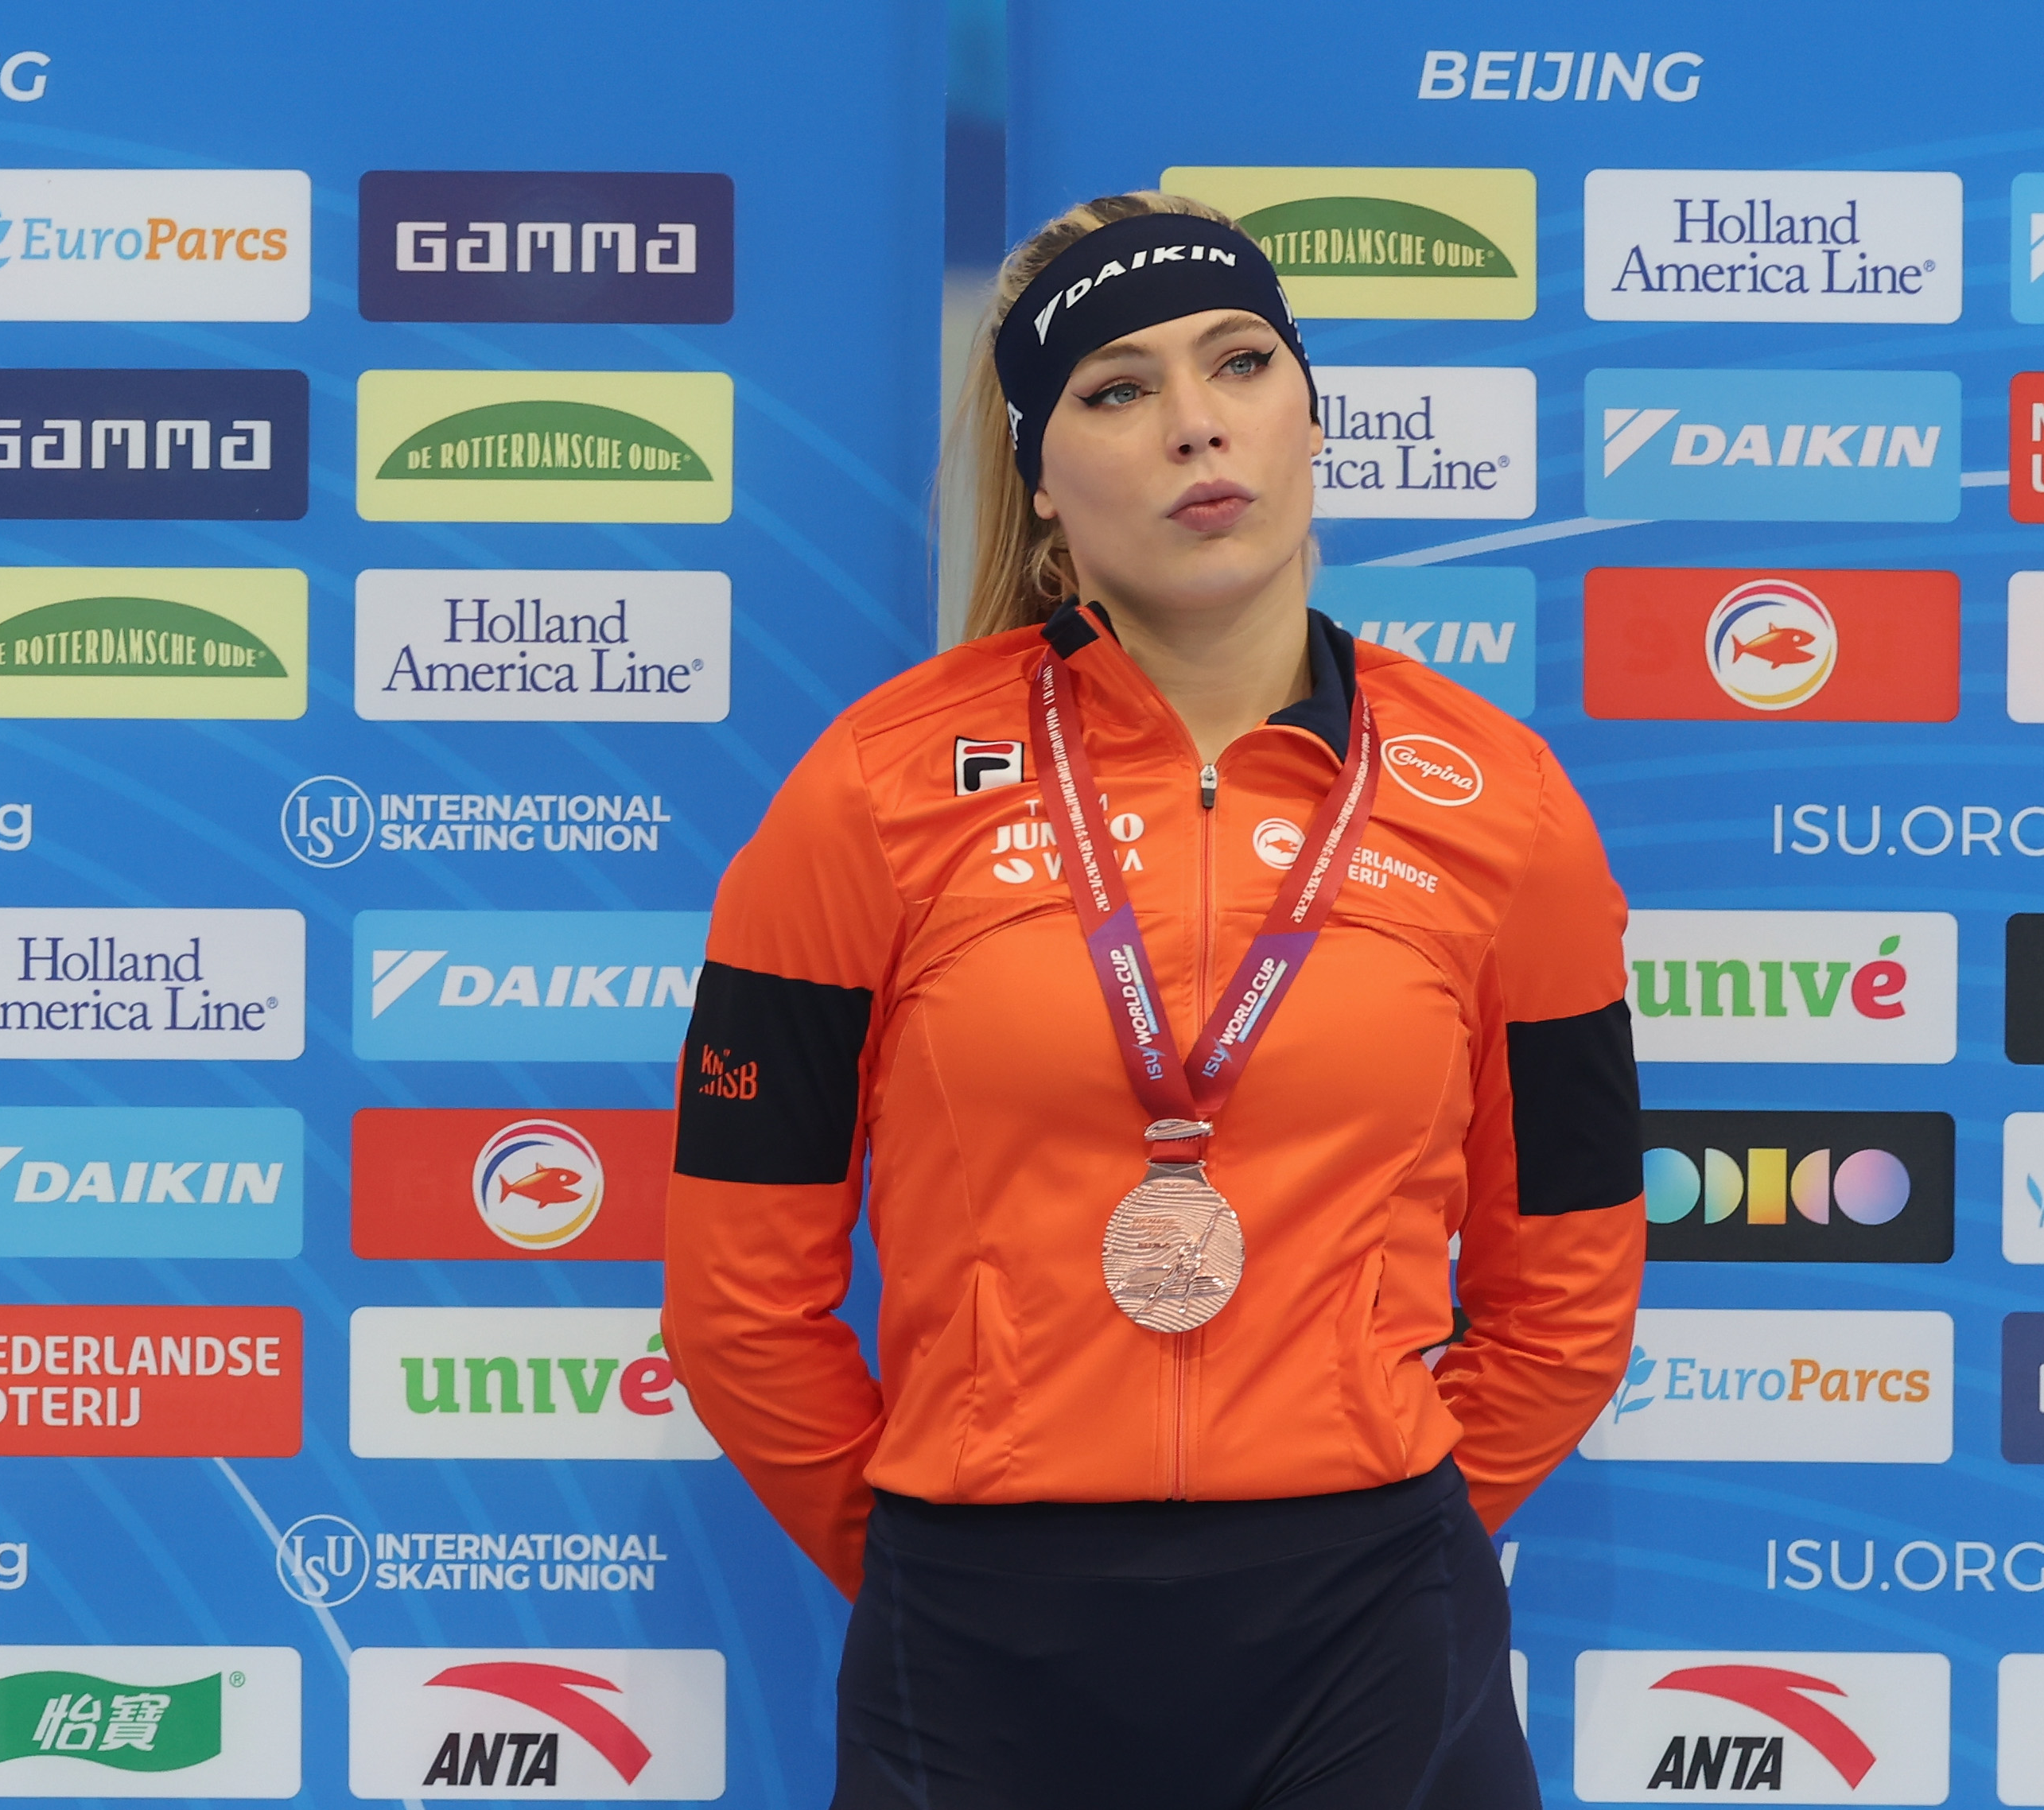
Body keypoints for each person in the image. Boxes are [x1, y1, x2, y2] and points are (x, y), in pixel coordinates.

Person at [662, 190, 1644, 1809]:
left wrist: (1385, 1520)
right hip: (979, 1639)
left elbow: (1571, 1287)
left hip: (1371, 1631)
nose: (1197, 424)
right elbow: (736, 1298)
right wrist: (940, 1534)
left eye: (1239, 362)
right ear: (1042, 483)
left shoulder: (1504, 803)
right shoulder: (868, 790)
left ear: (1311, 414)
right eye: (1116, 390)